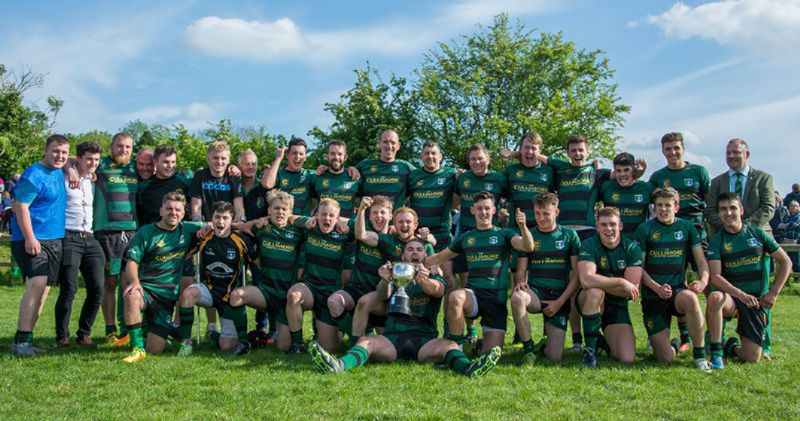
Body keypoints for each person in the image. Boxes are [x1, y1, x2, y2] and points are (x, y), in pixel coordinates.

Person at [309, 239, 502, 377]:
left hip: (424, 340)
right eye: (410, 249)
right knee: (367, 341)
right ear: (403, 255)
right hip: (393, 339)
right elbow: (383, 294)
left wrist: (424, 281)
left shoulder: (433, 274)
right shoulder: (395, 272)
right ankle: (339, 365)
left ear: (425, 255)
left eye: (419, 249)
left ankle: (470, 368)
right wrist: (385, 279)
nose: (415, 252)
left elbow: (439, 291)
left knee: (449, 345)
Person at [426, 191, 534, 355]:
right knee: (455, 296)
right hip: (473, 296)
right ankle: (457, 350)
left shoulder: (504, 234)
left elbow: (527, 246)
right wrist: (412, 256)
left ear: (493, 211)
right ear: (472, 211)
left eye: (486, 208)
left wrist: (523, 227)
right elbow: (439, 257)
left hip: (495, 301)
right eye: (479, 208)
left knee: (491, 353)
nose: (483, 212)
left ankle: (482, 346)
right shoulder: (466, 238)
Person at [706, 192, 791, 368]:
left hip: (755, 301)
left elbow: (785, 262)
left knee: (751, 358)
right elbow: (715, 277)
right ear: (719, 213)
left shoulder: (758, 234)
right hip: (733, 298)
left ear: (741, 210)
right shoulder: (716, 241)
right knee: (715, 298)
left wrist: (773, 293)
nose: (728, 213)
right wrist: (741, 294)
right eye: (723, 209)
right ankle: (716, 353)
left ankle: (730, 347)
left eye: (732, 208)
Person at [119, 191, 205, 363]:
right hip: (146, 289)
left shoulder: (187, 229)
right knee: (132, 295)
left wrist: (255, 223)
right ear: (161, 211)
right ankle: (137, 347)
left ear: (183, 214)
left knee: (156, 349)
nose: (173, 212)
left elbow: (219, 223)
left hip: (166, 297)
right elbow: (131, 262)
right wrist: (135, 283)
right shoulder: (146, 231)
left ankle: (143, 334)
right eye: (169, 209)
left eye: (177, 210)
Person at [633, 188, 711, 372]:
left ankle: (700, 356)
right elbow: (639, 267)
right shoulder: (645, 229)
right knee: (664, 358)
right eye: (659, 205)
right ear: (654, 207)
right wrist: (656, 287)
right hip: (653, 295)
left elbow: (701, 261)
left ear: (676, 207)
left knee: (690, 298)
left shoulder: (687, 227)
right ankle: (675, 344)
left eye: (668, 205)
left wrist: (703, 281)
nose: (663, 209)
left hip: (676, 291)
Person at [648, 132, 712, 352]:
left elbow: (709, 203)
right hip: (667, 236)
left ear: (683, 148)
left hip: (695, 233)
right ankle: (684, 337)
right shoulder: (657, 176)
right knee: (676, 282)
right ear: (663, 151)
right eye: (668, 149)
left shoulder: (698, 172)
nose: (672, 152)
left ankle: (712, 337)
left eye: (676, 148)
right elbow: (651, 204)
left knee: (707, 284)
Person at [9, 134, 69, 357]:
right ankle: (22, 343)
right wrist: (30, 238)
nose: (60, 156)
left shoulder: (58, 170)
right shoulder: (34, 174)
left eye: (63, 152)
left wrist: (70, 168)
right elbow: (21, 207)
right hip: (32, 239)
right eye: (55, 151)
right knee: (36, 284)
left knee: (44, 291)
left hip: (55, 239)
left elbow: (71, 160)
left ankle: (23, 339)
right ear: (45, 150)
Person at [176, 201, 258, 358]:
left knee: (226, 346)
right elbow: (183, 257)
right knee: (187, 294)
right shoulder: (203, 237)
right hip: (209, 291)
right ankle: (186, 343)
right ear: (211, 219)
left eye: (225, 218)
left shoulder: (241, 240)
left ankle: (212, 335)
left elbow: (259, 264)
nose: (221, 222)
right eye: (217, 217)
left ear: (232, 221)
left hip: (230, 296)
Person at [227, 190, 304, 352]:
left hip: (288, 297)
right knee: (236, 296)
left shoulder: (298, 232)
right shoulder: (261, 227)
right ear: (269, 210)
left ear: (290, 212)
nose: (280, 212)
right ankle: (243, 342)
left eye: (284, 209)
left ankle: (293, 338)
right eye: (276, 208)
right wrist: (209, 227)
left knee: (283, 346)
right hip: (266, 292)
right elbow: (238, 227)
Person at [510, 193, 580, 363]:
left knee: (554, 357)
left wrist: (560, 302)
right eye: (537, 213)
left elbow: (577, 275)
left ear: (556, 212)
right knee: (517, 298)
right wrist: (520, 282)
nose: (541, 218)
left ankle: (544, 345)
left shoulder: (569, 235)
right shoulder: (529, 237)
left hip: (559, 298)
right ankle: (529, 348)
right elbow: (520, 271)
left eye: (546, 213)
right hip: (537, 294)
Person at [188, 140, 245, 337]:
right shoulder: (200, 176)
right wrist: (199, 223)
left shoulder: (232, 177)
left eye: (223, 158)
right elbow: (196, 205)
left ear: (228, 159)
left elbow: (238, 205)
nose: (219, 162)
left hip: (227, 230)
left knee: (229, 276)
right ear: (208, 158)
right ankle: (211, 326)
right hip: (207, 230)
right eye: (215, 158)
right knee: (208, 277)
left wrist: (240, 221)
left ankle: (229, 321)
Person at [285, 198, 354, 353]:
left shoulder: (344, 233)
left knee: (331, 347)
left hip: (330, 292)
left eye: (331, 215)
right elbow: (290, 217)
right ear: (317, 215)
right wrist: (307, 220)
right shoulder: (311, 226)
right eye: (323, 214)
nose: (327, 218)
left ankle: (343, 332)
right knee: (294, 295)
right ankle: (297, 345)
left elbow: (364, 230)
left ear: (337, 218)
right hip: (309, 286)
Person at [54, 141, 105, 348]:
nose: (93, 163)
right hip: (69, 236)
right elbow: (59, 162)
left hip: (90, 237)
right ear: (79, 158)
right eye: (89, 159)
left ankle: (84, 333)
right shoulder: (64, 176)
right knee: (69, 288)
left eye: (96, 159)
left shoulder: (91, 179)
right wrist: (69, 168)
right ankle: (62, 336)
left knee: (98, 288)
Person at [577, 206, 643, 368]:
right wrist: (620, 282)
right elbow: (586, 280)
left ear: (620, 226)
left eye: (613, 224)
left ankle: (601, 341)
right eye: (604, 225)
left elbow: (631, 291)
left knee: (626, 358)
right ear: (597, 227)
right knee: (594, 291)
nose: (609, 229)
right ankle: (590, 352)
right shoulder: (588, 244)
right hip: (590, 301)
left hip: (617, 304)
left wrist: (599, 281)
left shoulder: (632, 248)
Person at [93, 132, 138, 347]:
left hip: (131, 232)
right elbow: (73, 160)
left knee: (128, 282)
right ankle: (110, 330)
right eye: (120, 146)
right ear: (111, 146)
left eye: (128, 147)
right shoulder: (100, 165)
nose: (124, 150)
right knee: (109, 283)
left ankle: (128, 328)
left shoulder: (136, 167)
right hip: (107, 231)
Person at [328, 195, 392, 344]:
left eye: (383, 212)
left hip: (381, 298)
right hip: (356, 291)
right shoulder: (362, 227)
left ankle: (365, 335)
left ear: (391, 215)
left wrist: (430, 239)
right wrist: (314, 219)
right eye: (375, 213)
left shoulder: (395, 237)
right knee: (334, 301)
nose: (379, 216)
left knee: (388, 345)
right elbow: (336, 219)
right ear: (369, 216)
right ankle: (355, 340)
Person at [706, 138, 774, 235]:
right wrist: (728, 228)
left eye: (735, 152)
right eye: (728, 153)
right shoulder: (716, 182)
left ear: (747, 154)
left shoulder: (764, 178)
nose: (731, 156)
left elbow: (768, 208)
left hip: (758, 234)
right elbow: (710, 211)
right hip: (726, 236)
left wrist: (742, 227)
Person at [355, 129, 416, 210]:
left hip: (395, 221)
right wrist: (350, 168)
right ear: (379, 144)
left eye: (393, 143)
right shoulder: (364, 165)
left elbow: (424, 175)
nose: (389, 146)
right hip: (368, 221)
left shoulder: (406, 167)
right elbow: (346, 177)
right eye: (385, 142)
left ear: (398, 146)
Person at [599, 152, 653, 238]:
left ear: (633, 170)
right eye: (618, 170)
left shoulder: (647, 188)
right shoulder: (606, 187)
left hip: (638, 242)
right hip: (612, 241)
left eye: (626, 170)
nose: (622, 174)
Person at [136, 144, 193, 226]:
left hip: (181, 233)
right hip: (153, 234)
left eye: (173, 162)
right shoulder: (143, 186)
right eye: (165, 162)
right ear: (155, 162)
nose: (170, 166)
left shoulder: (187, 177)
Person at [262, 137, 315, 216]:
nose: (297, 157)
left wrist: (325, 167)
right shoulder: (279, 174)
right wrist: (278, 158)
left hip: (303, 224)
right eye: (294, 153)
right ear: (287, 155)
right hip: (283, 224)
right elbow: (267, 184)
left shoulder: (310, 174)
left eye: (301, 154)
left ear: (305, 157)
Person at [310, 140, 360, 219]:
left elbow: (361, 203)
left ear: (345, 157)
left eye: (340, 154)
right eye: (332, 154)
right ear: (327, 156)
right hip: (323, 229)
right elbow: (312, 206)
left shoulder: (355, 177)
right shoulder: (317, 177)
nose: (336, 157)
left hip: (347, 229)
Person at [778, 200, 800, 272]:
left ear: (798, 207)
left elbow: (793, 225)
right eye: (791, 206)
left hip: (796, 240)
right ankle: (790, 277)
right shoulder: (787, 216)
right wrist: (784, 225)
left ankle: (797, 276)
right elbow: (779, 226)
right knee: (788, 259)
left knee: (796, 259)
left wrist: (784, 225)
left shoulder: (798, 216)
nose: (793, 207)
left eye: (795, 206)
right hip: (786, 240)